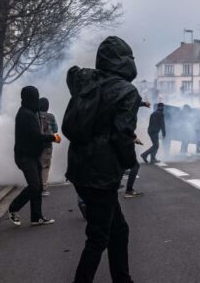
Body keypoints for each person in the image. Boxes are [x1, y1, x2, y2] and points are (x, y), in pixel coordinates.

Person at [65, 36, 141, 283]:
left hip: (79, 167)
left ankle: (123, 279)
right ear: (124, 61)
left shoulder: (85, 82)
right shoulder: (127, 91)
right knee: (99, 236)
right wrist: (129, 162)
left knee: (118, 229)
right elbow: (123, 135)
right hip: (102, 172)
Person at [8, 87, 54, 227]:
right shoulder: (26, 114)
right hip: (25, 156)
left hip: (32, 155)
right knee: (34, 186)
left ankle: (36, 217)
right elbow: (36, 136)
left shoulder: (28, 112)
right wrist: (52, 137)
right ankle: (14, 208)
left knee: (38, 186)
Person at [38, 97, 60, 196]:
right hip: (47, 145)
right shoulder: (50, 116)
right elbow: (55, 130)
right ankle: (43, 189)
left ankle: (34, 186)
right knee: (45, 167)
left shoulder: (34, 115)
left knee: (36, 166)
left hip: (35, 145)